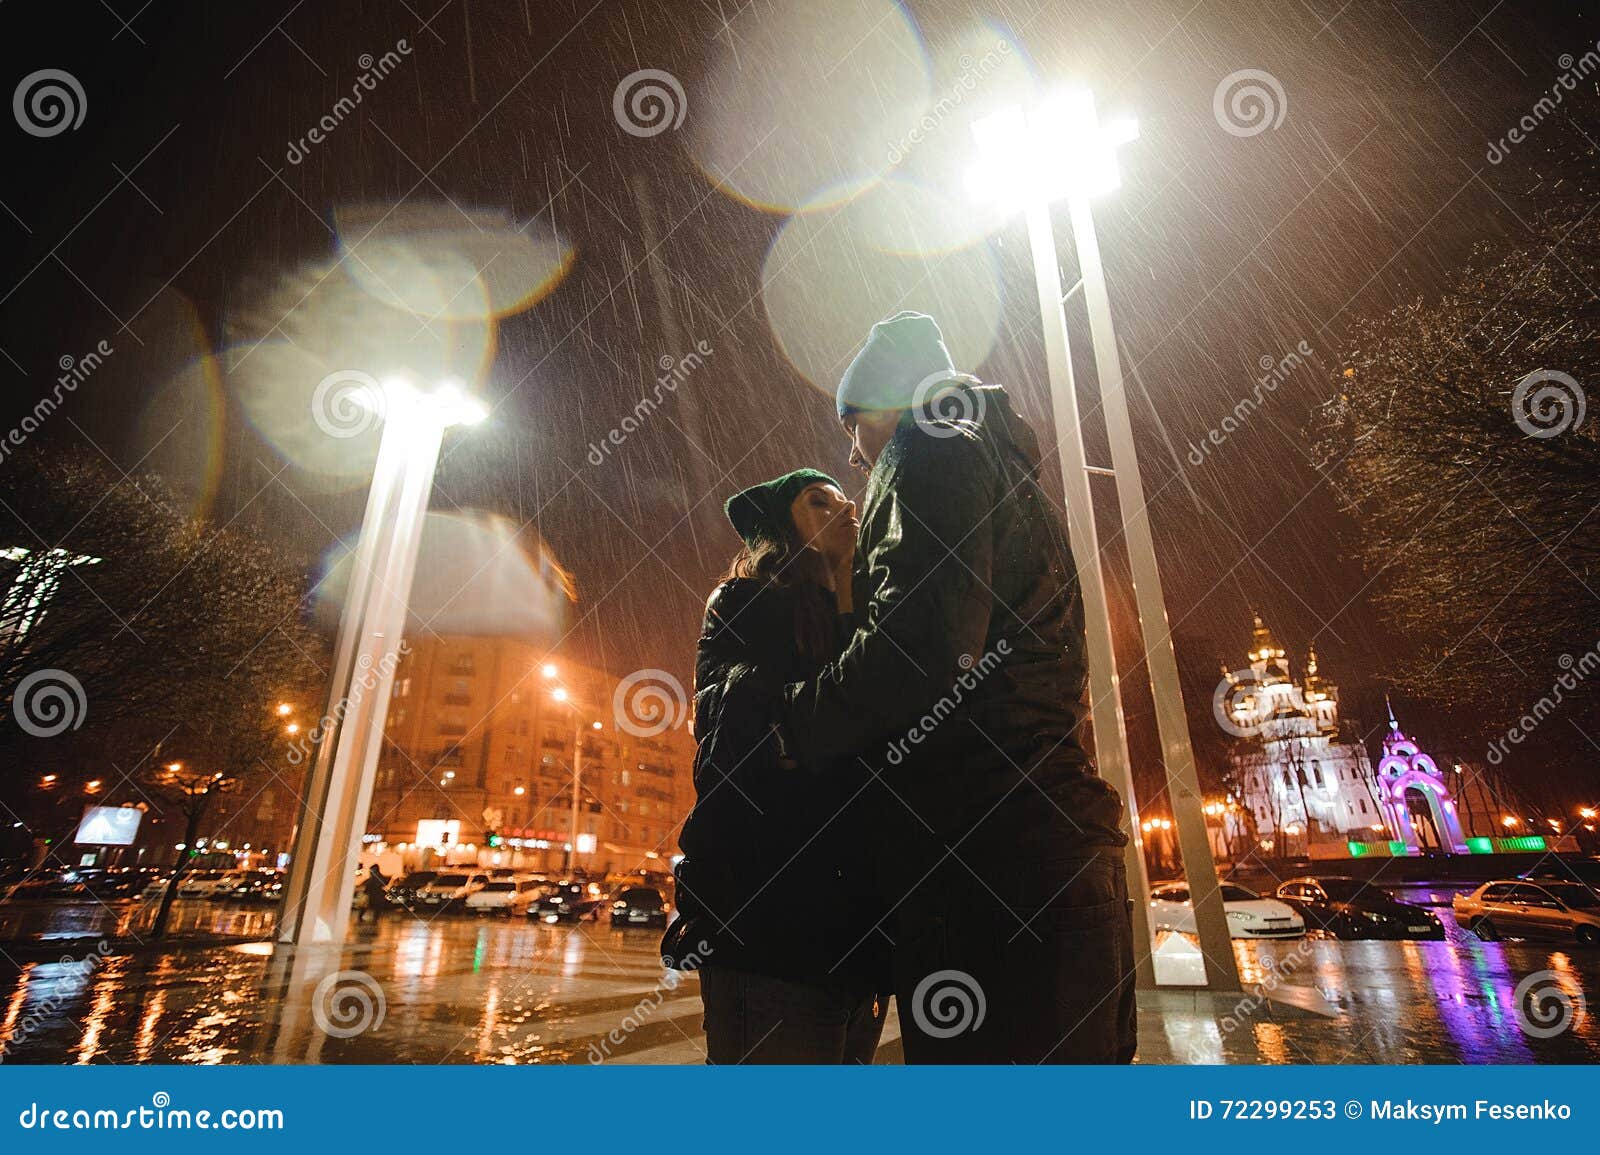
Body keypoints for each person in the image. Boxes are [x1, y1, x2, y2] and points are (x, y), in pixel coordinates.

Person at [779, 311, 1137, 1064]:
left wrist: (796, 722)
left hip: (986, 862)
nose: (851, 452)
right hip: (1054, 849)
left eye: (853, 423)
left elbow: (924, 648)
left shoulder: (928, 447)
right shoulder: (1009, 474)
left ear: (889, 400)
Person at [663, 468, 890, 1064]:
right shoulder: (747, 604)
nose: (846, 508)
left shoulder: (871, 612)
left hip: (858, 929)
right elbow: (769, 728)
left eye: (846, 497)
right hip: (771, 920)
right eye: (819, 503)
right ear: (782, 533)